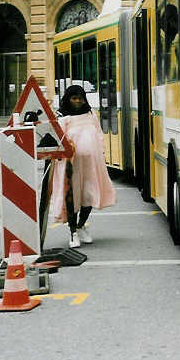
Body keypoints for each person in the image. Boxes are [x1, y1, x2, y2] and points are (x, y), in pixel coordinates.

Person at [50, 85, 116, 248]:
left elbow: (99, 134)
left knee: (89, 195)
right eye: (74, 98)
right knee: (72, 197)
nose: (78, 101)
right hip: (71, 165)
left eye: (80, 98)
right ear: (68, 99)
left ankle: (81, 226)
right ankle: (72, 233)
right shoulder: (63, 117)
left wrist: (101, 154)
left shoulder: (90, 114)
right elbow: (60, 141)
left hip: (91, 164)